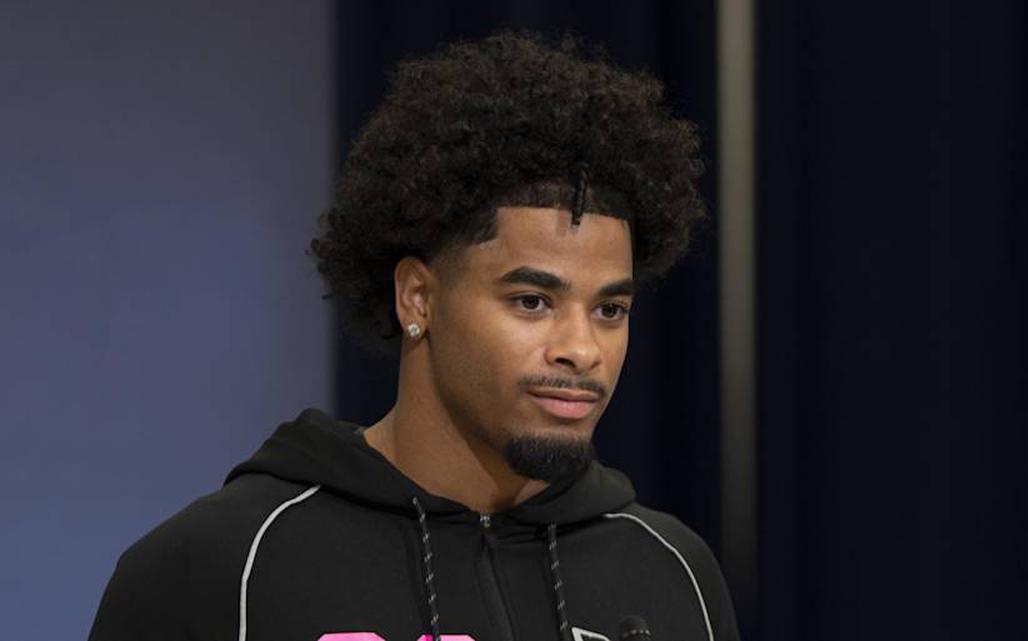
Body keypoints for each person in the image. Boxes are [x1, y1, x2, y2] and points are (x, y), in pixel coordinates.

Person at [89, 32, 740, 641]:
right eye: (533, 300)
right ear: (417, 298)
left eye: (609, 310)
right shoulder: (219, 567)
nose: (582, 348)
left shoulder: (675, 573)